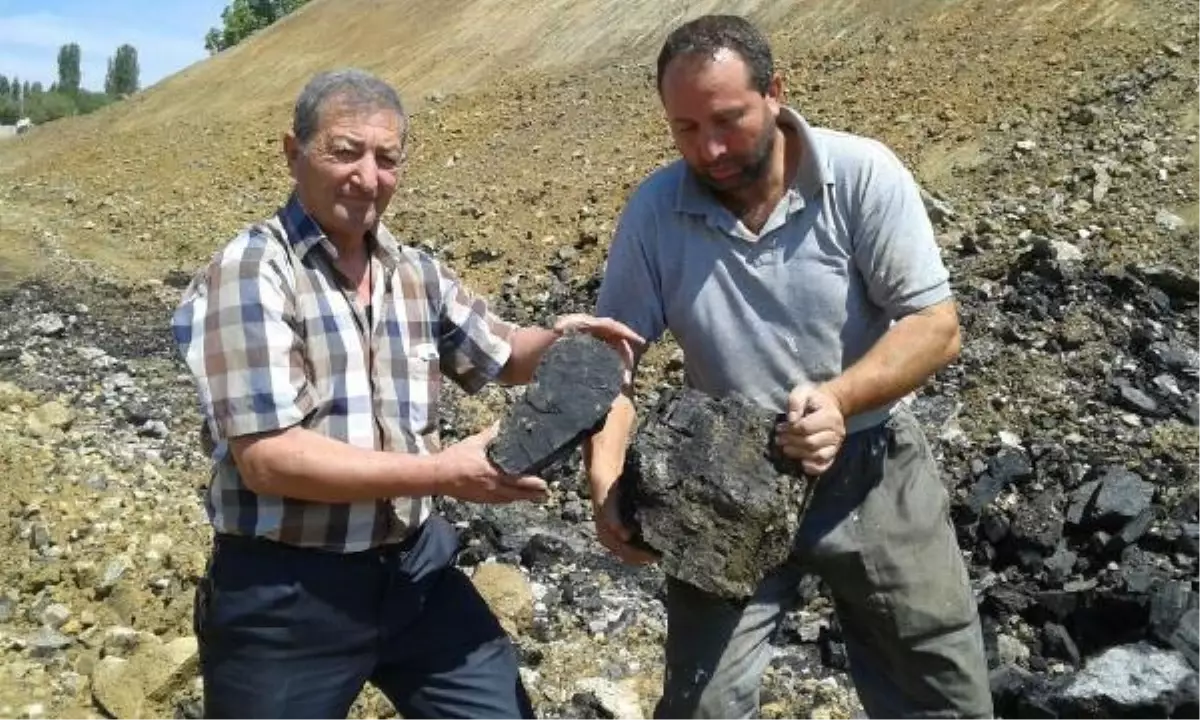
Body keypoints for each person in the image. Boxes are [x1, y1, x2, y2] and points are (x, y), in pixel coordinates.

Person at [171, 68, 641, 720]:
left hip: (416, 574)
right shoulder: (252, 273)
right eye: (345, 151)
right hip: (287, 594)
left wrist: (561, 338)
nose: (368, 176)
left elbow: (502, 352)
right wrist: (442, 473)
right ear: (292, 152)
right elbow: (268, 456)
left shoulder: (411, 272)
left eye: (386, 158)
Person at [583, 15, 994, 720]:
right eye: (684, 128)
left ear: (775, 92)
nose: (708, 149)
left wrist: (837, 399)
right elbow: (610, 358)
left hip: (871, 469)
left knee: (935, 678)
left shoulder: (860, 175)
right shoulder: (655, 211)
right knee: (701, 702)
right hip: (719, 480)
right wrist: (605, 475)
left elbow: (935, 326)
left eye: (728, 120)